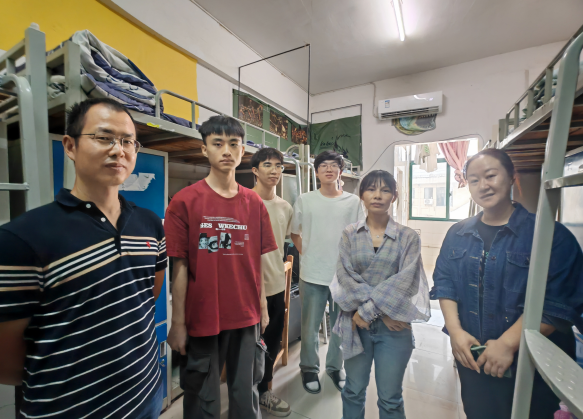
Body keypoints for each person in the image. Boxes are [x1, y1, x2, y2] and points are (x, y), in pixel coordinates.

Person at [0, 98, 167, 418]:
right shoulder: (22, 238)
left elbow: (146, 298)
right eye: (104, 137)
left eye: (128, 141)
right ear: (70, 146)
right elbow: (6, 360)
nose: (119, 150)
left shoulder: (150, 225)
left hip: (146, 396)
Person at [431, 148, 583, 419]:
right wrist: (455, 331)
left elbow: (559, 304)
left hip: (531, 363)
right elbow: (445, 283)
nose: (483, 185)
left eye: (491, 175)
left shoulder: (550, 234)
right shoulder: (458, 233)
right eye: (474, 180)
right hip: (473, 357)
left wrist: (507, 344)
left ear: (513, 177)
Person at [165, 115, 277, 419]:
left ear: (243, 151)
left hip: (246, 313)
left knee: (246, 393)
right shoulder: (184, 202)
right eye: (217, 143)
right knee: (202, 397)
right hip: (203, 314)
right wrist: (178, 323)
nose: (226, 151)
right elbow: (179, 266)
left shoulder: (254, 203)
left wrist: (262, 307)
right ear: (204, 149)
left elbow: (256, 261)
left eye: (233, 144)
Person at [330, 170, 430, 419]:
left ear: (394, 196)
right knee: (353, 391)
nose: (378, 195)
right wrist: (374, 312)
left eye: (385, 190)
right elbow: (345, 277)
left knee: (390, 398)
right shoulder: (349, 233)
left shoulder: (408, 237)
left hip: (393, 326)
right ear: (361, 195)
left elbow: (406, 282)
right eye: (371, 189)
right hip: (355, 325)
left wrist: (367, 311)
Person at [290, 150, 365, 394]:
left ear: (340, 171)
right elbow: (294, 232)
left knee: (341, 326)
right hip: (312, 274)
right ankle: (309, 368)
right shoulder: (305, 200)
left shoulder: (353, 202)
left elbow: (360, 236)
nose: (329, 169)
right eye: (323, 165)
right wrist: (307, 253)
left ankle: (334, 367)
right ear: (317, 172)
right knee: (309, 326)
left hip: (343, 276)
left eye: (334, 165)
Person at [251, 147, 294, 417]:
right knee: (247, 345)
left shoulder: (285, 207)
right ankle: (245, 394)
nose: (275, 170)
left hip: (276, 286)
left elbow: (282, 244)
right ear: (255, 170)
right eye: (267, 165)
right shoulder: (243, 201)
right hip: (248, 288)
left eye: (279, 165)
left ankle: (265, 391)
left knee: (272, 341)